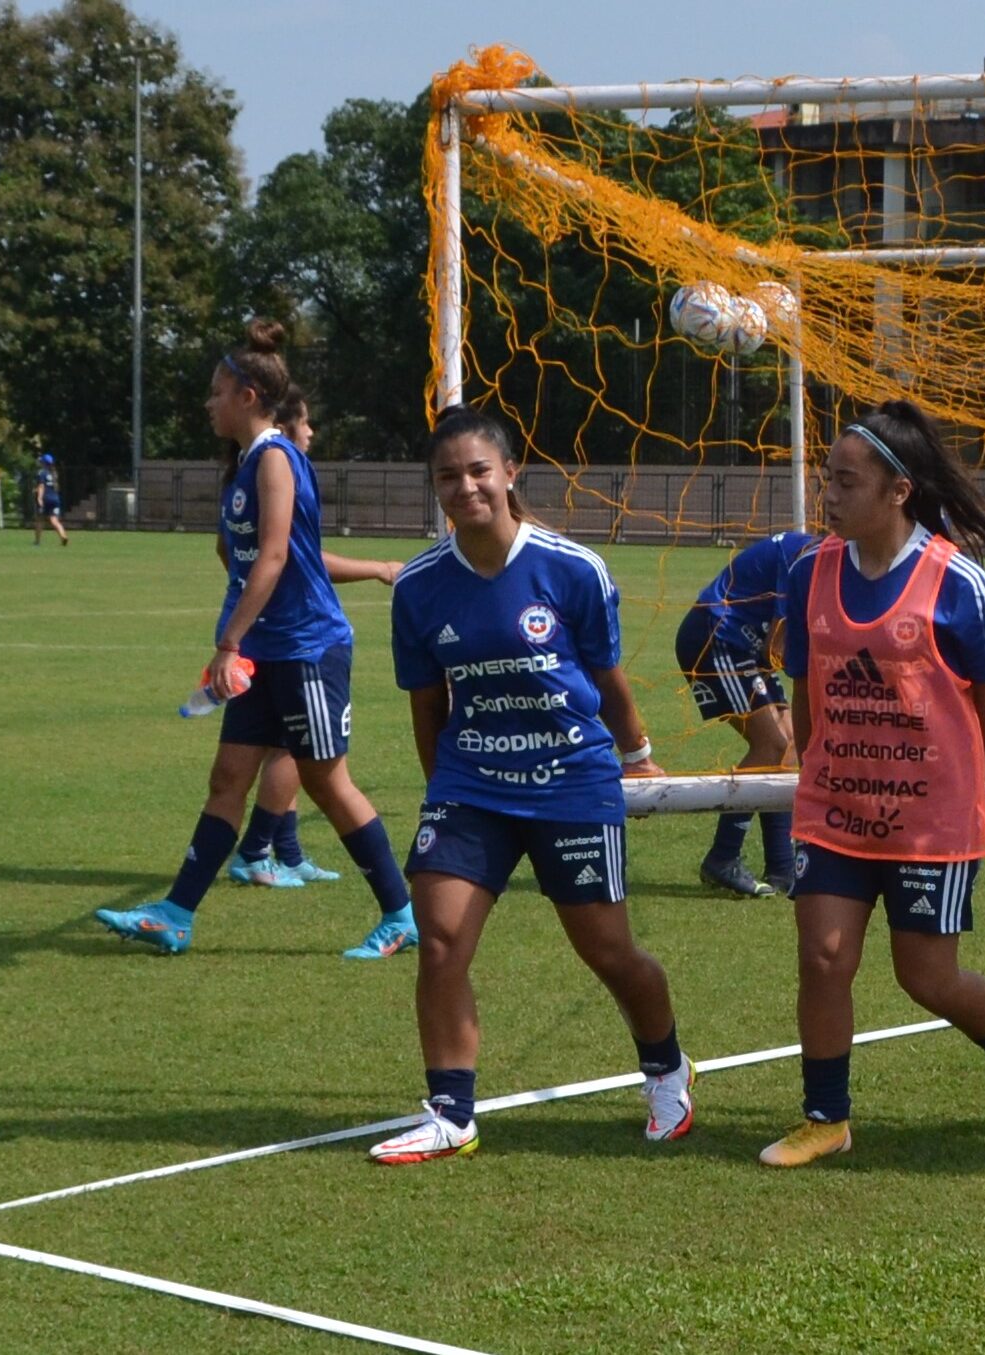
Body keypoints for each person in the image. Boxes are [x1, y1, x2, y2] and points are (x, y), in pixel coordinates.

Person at [368, 405, 692, 1165]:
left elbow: (608, 678)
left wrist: (637, 752)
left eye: (479, 470)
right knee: (440, 939)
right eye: (448, 476)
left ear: (511, 473)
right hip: (471, 785)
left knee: (610, 953)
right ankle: (452, 1113)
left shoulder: (572, 568)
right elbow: (428, 705)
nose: (465, 487)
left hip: (571, 783)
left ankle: (668, 1069)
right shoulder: (418, 587)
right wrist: (444, 794)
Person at [758, 401, 985, 1169]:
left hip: (932, 814)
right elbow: (804, 683)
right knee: (823, 955)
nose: (829, 492)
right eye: (827, 477)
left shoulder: (957, 580)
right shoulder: (808, 570)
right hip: (836, 804)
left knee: (926, 975)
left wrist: (983, 781)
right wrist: (811, 763)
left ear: (898, 492)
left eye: (845, 480)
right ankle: (826, 1115)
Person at [94, 321, 417, 960]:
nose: (207, 403)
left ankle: (401, 915)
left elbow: (273, 557)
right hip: (267, 651)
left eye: (216, 391)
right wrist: (245, 633)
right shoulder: (245, 464)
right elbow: (239, 552)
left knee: (328, 784)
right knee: (227, 779)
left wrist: (228, 640)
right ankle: (176, 914)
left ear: (246, 394)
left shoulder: (274, 458)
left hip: (306, 648)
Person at [227, 396, 402, 889]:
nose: (312, 431)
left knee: (290, 751)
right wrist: (380, 569)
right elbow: (283, 558)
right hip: (298, 639)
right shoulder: (275, 466)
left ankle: (284, 848)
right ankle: (258, 848)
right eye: (306, 421)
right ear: (283, 424)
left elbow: (253, 552)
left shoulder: (262, 469)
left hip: (280, 636)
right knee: (300, 753)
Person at [678, 527, 820, 897]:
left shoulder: (823, 556)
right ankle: (722, 857)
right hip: (718, 637)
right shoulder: (806, 556)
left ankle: (783, 870)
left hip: (745, 647)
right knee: (771, 744)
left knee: (786, 747)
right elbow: (780, 640)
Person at [33, 453, 68, 546]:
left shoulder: (41, 472)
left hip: (46, 498)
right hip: (55, 499)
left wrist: (39, 498)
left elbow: (42, 486)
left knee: (40, 520)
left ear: (43, 463)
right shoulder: (54, 474)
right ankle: (63, 536)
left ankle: (37, 541)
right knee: (54, 520)